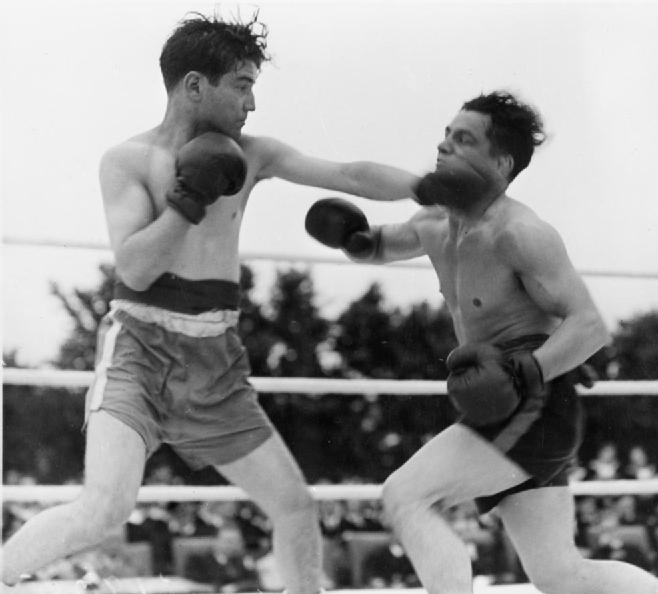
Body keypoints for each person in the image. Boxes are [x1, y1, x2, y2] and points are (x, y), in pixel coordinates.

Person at [0, 12, 416, 591]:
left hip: (214, 360)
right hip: (138, 352)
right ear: (196, 85)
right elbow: (136, 267)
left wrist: (427, 188)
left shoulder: (256, 154)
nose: (251, 104)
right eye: (242, 86)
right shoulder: (128, 161)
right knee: (103, 506)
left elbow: (347, 173)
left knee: (295, 506)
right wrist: (188, 200)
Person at [305, 91, 658, 593]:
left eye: (463, 140)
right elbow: (379, 244)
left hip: (534, 398)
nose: (443, 148)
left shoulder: (520, 232)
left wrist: (527, 371)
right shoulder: (435, 221)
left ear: (501, 162)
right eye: (446, 135)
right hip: (507, 398)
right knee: (560, 575)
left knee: (406, 496)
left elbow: (589, 325)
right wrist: (351, 238)